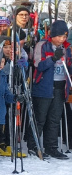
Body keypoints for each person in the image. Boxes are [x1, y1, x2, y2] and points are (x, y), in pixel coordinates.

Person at [29, 20, 72, 159]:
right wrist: (53, 58)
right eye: (59, 36)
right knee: (40, 118)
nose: (62, 39)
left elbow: (69, 67)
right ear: (52, 35)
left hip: (60, 86)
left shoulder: (67, 48)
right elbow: (38, 65)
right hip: (44, 86)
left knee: (54, 118)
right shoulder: (42, 45)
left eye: (65, 36)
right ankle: (33, 144)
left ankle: (51, 146)